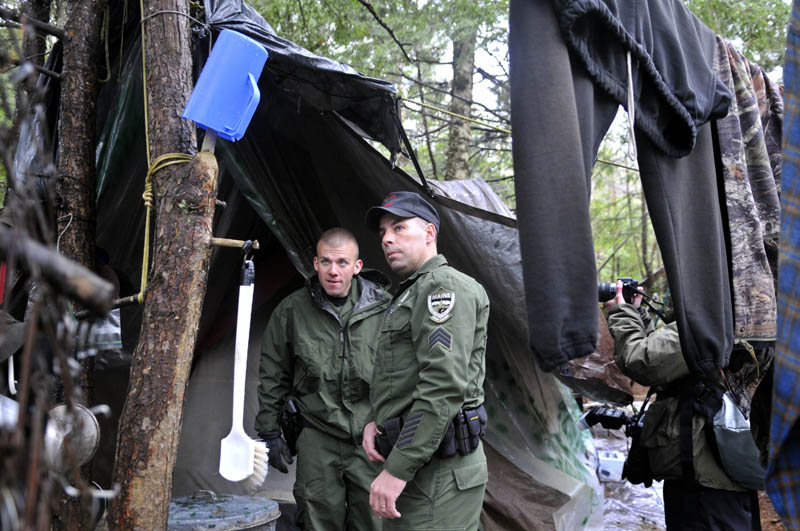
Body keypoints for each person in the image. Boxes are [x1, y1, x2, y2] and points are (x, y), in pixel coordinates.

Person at [361, 191, 490, 530]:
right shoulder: (412, 291)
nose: (388, 238)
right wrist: (377, 421)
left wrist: (396, 470)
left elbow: (443, 386)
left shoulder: (441, 288)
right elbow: (403, 377)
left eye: (399, 228)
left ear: (429, 233)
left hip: (437, 473)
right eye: (384, 233)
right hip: (420, 465)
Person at [255, 228, 390, 531]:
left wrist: (396, 427)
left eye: (342, 263)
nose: (333, 271)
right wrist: (269, 432)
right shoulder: (291, 311)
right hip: (318, 434)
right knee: (316, 520)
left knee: (375, 521)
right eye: (326, 262)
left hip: (372, 436)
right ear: (315, 263)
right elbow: (272, 375)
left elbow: (402, 374)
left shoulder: (386, 309)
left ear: (357, 267)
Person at [604, 280, 760, 530]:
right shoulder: (742, 308)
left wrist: (621, 312)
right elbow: (667, 355)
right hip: (725, 470)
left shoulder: (708, 318)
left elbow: (643, 361)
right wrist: (639, 314)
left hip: (704, 479)